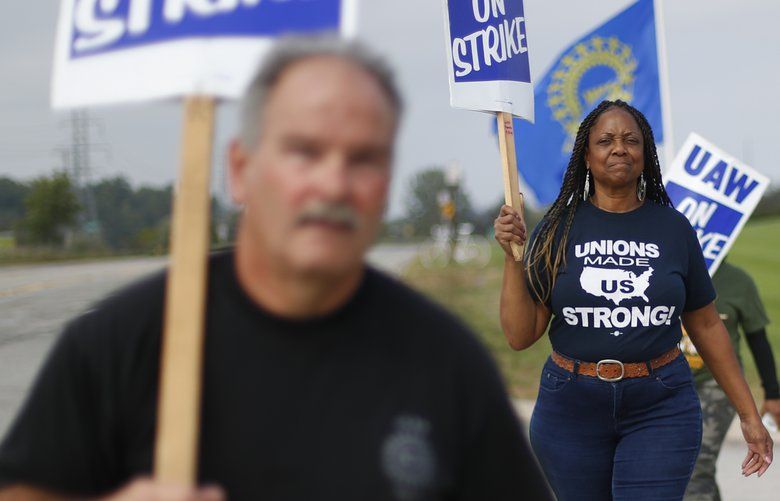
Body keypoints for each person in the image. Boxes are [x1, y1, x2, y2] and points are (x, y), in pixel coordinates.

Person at [0, 38, 551, 500]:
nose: (333, 185)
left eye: (362, 159)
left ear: (385, 189)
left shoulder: (444, 361)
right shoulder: (122, 343)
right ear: (240, 170)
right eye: (304, 152)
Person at [493, 99, 773, 500]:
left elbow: (708, 325)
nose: (619, 148)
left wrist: (748, 415)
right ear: (586, 156)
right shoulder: (557, 229)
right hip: (571, 406)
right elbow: (520, 335)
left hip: (660, 403)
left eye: (631, 140)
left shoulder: (673, 228)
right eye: (605, 140)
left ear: (646, 155)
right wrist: (511, 259)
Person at [683, 260, 780, 500]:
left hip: (716, 384)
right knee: (680, 465)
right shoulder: (664, 269)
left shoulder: (738, 281)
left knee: (696, 466)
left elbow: (758, 340)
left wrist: (772, 393)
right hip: (669, 382)